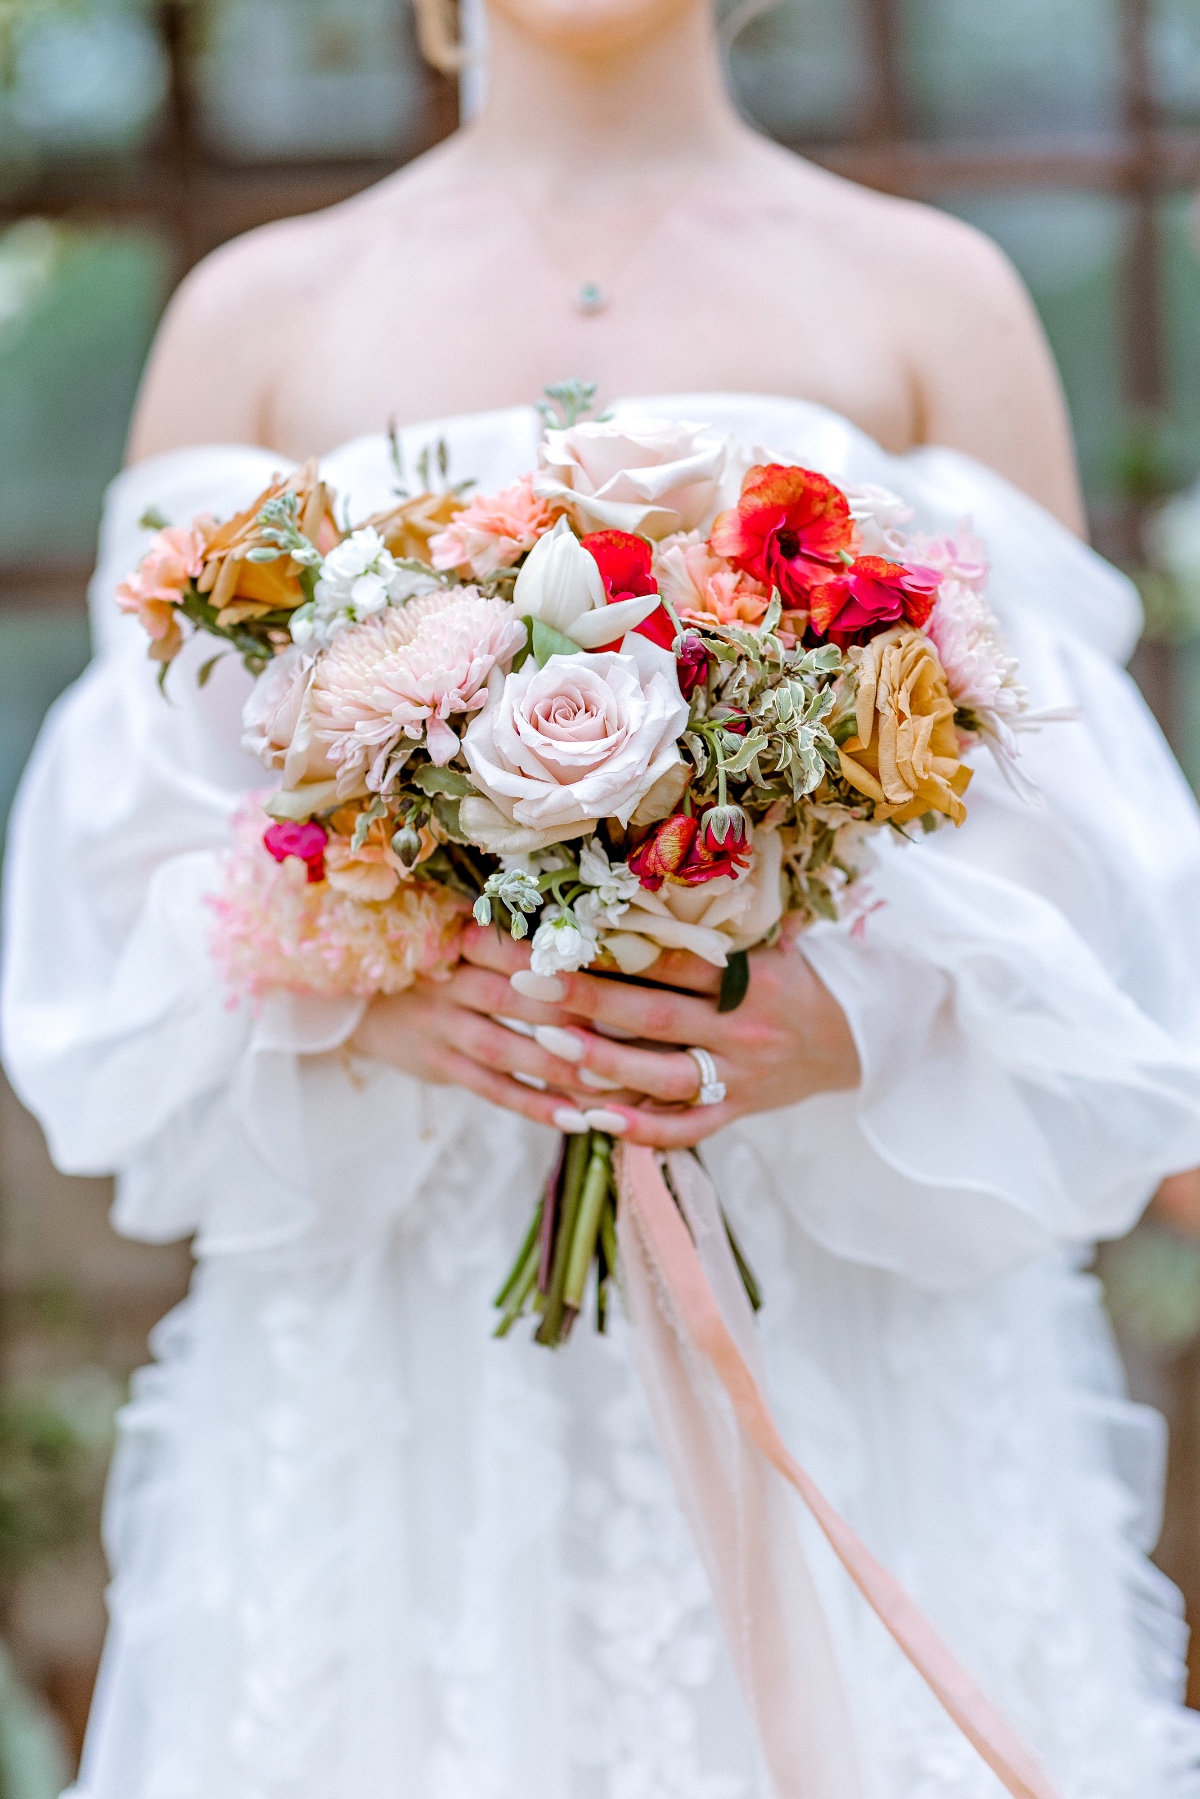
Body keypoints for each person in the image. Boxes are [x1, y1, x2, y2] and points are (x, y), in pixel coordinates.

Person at [5, 0, 1200, 1793]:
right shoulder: (257, 313)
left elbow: (1070, 812)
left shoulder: (933, 294)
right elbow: (138, 844)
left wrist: (857, 1021)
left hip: (835, 1298)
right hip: (410, 1310)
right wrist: (366, 981)